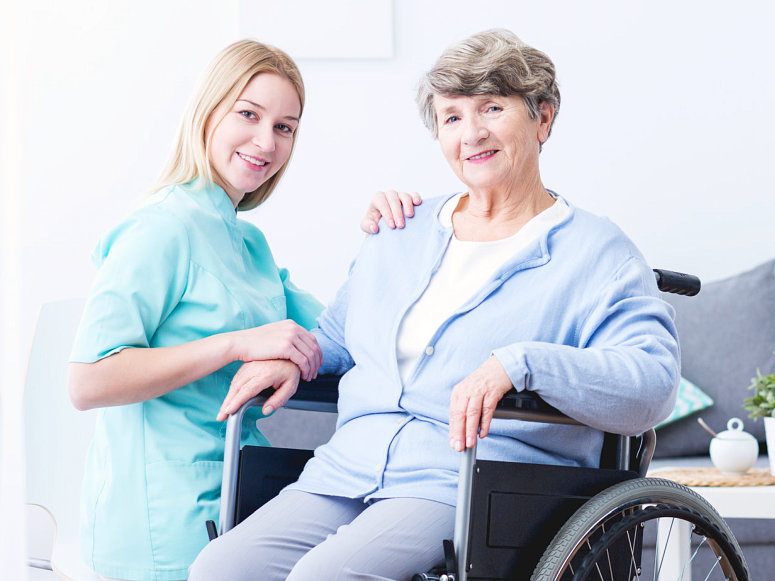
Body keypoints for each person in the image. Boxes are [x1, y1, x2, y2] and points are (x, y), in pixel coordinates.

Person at [189, 29, 680, 581]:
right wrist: (295, 357)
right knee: (219, 569)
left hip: (471, 484)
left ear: (543, 118)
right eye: (451, 117)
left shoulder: (596, 252)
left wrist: (522, 363)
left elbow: (653, 381)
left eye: (492, 107)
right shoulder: (402, 228)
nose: (471, 134)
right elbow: (340, 336)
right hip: (347, 469)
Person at [67, 40, 417, 581]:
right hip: (157, 519)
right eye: (249, 115)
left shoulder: (248, 244)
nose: (266, 141)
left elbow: (346, 333)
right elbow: (88, 381)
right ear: (208, 113)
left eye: (285, 127)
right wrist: (234, 345)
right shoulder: (160, 227)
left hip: (237, 500)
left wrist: (389, 235)